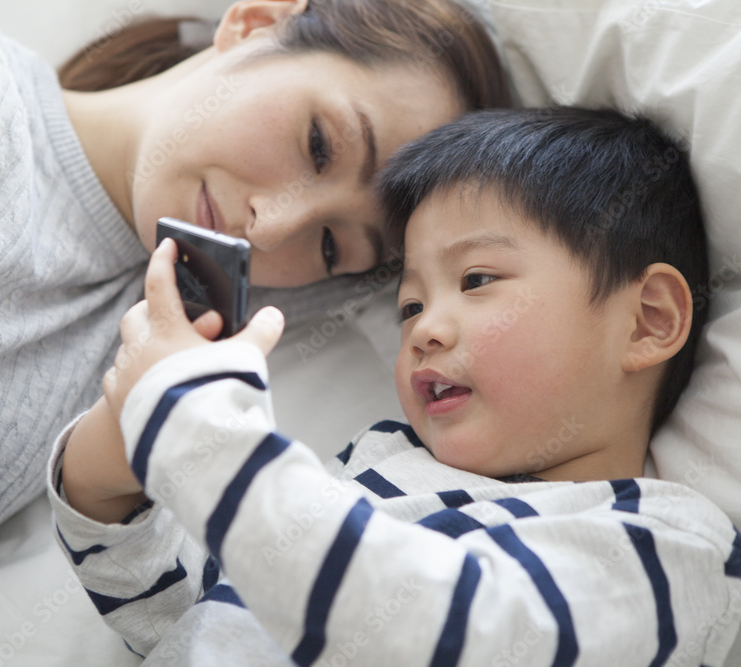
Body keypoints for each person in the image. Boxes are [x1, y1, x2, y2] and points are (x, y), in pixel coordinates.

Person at [0, 0, 509, 663]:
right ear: (255, 21)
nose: (270, 230)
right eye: (319, 145)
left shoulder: (187, 330)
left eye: (334, 245)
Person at [49, 107, 741, 665]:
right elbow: (185, 608)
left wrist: (200, 427)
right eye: (408, 305)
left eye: (477, 280)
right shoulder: (378, 464)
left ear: (647, 319)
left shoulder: (668, 545)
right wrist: (116, 458)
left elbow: (436, 629)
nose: (424, 330)